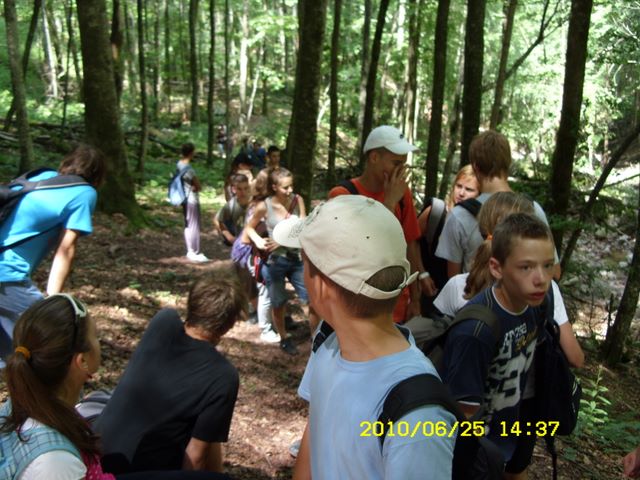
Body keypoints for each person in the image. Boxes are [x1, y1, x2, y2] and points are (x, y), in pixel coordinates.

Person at [272, 195, 455, 479]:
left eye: (304, 262)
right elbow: (316, 433)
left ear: (321, 287)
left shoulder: (417, 412)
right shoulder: (328, 341)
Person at [433, 193, 584, 479]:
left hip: (508, 435)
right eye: (526, 267)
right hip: (475, 454)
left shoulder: (534, 306)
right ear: (497, 267)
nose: (541, 278)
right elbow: (461, 417)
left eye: (547, 265)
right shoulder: (476, 331)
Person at [0, 294, 231, 480]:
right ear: (82, 361)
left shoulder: (30, 401)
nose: (98, 342)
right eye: (95, 336)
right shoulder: (54, 463)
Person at [96, 268, 245, 475]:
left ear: (192, 303)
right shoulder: (223, 376)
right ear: (229, 324)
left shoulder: (163, 321)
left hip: (95, 454)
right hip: (134, 473)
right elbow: (196, 457)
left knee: (208, 429)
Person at [0, 144, 106, 364]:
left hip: (6, 275)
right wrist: (53, 298)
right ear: (98, 175)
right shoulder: (84, 193)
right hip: (8, 275)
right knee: (50, 341)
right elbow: (66, 248)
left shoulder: (42, 176)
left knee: (14, 351)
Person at [329, 125, 436, 324]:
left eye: (403, 164)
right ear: (374, 157)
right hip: (357, 305)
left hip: (396, 305)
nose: (400, 171)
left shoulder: (402, 194)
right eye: (396, 163)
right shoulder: (343, 196)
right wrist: (389, 203)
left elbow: (410, 244)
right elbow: (357, 249)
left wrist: (415, 298)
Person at [435, 130, 559, 279]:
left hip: (475, 294)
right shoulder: (533, 209)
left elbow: (453, 280)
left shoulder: (459, 215)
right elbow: (555, 271)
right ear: (508, 164)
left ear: (475, 167)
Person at [245, 168, 319, 355]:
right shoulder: (264, 206)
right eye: (285, 187)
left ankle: (316, 336)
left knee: (310, 299)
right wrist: (258, 241)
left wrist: (283, 240)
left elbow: (303, 226)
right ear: (274, 187)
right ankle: (284, 338)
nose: (290, 190)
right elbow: (249, 227)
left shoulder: (297, 200)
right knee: (278, 302)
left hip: (296, 259)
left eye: (291, 186)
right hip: (274, 262)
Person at [418, 165, 479, 314]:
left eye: (469, 189)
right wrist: (422, 274)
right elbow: (409, 240)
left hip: (455, 300)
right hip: (426, 293)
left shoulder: (478, 225)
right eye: (459, 186)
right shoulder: (436, 212)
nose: (461, 193)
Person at [230, 169, 279, 343]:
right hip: (246, 252)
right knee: (254, 289)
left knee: (257, 287)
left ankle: (265, 318)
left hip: (251, 251)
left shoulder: (266, 203)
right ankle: (265, 324)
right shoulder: (259, 205)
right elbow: (249, 230)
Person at [177, 142, 208, 263]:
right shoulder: (189, 169)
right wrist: (196, 186)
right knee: (194, 225)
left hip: (183, 198)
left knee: (187, 224)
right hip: (191, 199)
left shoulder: (179, 164)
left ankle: (190, 249)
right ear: (191, 153)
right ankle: (194, 251)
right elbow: (198, 186)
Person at [214, 173, 252, 246]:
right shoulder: (230, 206)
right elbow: (218, 220)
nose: (243, 192)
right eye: (239, 189)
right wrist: (230, 238)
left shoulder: (255, 203)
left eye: (245, 188)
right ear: (234, 189)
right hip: (241, 242)